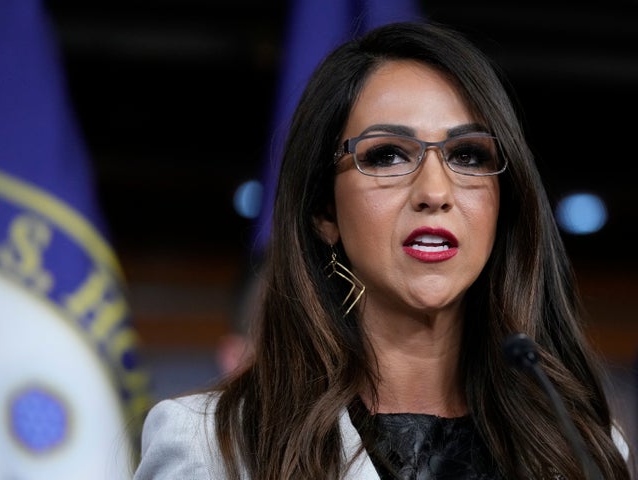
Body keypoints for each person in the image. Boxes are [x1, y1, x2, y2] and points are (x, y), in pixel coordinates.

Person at [133, 21, 633, 479]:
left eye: (467, 154)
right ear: (323, 211)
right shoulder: (211, 444)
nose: (435, 191)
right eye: (387, 154)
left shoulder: (582, 447)